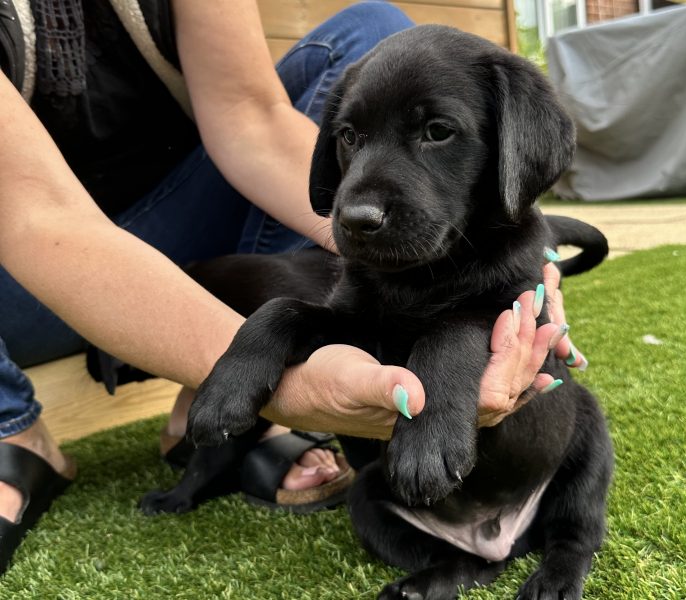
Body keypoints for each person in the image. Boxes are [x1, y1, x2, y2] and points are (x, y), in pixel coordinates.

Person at [0, 0, 588, 575]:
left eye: (436, 132)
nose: (355, 205)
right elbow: (35, 215)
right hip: (23, 253)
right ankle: (10, 427)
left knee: (374, 23)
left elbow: (249, 116)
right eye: (351, 137)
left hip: (174, 200)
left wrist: (520, 257)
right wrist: (269, 370)